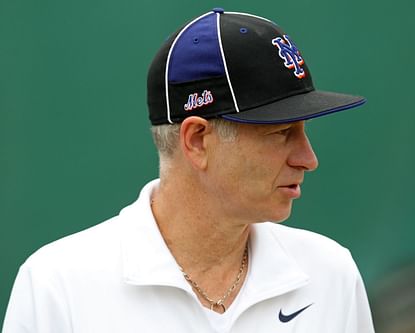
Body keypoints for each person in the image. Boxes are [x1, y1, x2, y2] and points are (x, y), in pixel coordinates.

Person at [2, 8, 375, 333]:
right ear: (197, 140)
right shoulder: (58, 285)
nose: (308, 159)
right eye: (281, 133)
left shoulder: (331, 275)